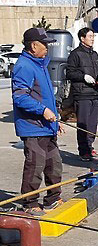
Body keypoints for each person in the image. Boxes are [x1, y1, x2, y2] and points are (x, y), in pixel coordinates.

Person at [11, 28, 65, 216]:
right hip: (33, 127)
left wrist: (55, 119)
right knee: (35, 165)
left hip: (47, 126)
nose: (48, 48)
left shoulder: (40, 65)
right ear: (34, 46)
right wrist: (43, 111)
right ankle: (29, 202)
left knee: (54, 164)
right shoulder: (24, 66)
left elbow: (45, 96)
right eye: (45, 44)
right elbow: (20, 98)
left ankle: (53, 198)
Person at [66, 27, 98, 162]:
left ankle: (90, 147)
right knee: (83, 124)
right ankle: (84, 151)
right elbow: (69, 73)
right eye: (90, 36)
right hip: (82, 94)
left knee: (92, 124)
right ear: (82, 38)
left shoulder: (94, 54)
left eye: (93, 36)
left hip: (94, 93)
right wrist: (83, 77)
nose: (92, 39)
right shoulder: (75, 55)